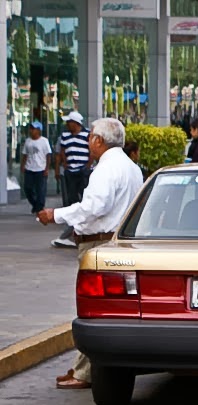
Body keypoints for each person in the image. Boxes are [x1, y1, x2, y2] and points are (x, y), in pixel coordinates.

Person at [37, 118, 144, 389]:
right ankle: (85, 368)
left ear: (99, 140)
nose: (87, 143)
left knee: (93, 310)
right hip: (116, 243)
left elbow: (93, 207)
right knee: (106, 310)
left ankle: (86, 372)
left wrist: (56, 214)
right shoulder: (130, 167)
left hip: (100, 245)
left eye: (90, 138)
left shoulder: (107, 169)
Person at [52, 111, 91, 248]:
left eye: (69, 122)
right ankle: (74, 224)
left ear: (76, 123)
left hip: (83, 170)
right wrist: (64, 164)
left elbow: (91, 150)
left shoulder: (87, 135)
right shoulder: (65, 136)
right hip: (70, 171)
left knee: (85, 197)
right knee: (71, 198)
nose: (67, 124)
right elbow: (62, 151)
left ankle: (82, 225)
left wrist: (87, 166)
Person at [21, 121, 51, 214]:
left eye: (33, 129)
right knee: (27, 188)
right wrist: (23, 165)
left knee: (40, 190)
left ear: (38, 130)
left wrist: (47, 168)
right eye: (31, 128)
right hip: (29, 168)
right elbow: (25, 154)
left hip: (40, 169)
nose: (31, 131)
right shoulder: (28, 141)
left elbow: (48, 155)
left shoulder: (44, 141)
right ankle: (35, 204)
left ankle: (39, 207)